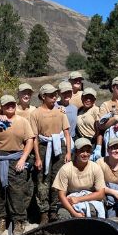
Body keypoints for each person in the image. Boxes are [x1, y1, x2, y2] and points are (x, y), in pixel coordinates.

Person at [0, 94, 35, 235]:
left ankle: (18, 221)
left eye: (12, 104)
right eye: (6, 105)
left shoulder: (23, 121)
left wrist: (23, 159)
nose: (10, 106)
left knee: (17, 192)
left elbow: (29, 140)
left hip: (16, 159)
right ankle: (1, 219)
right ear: (2, 107)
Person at [31, 84, 72, 223]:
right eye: (51, 95)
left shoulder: (60, 112)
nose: (54, 97)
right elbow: (34, 137)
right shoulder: (36, 114)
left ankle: (54, 210)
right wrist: (37, 157)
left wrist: (68, 153)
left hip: (58, 147)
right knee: (42, 180)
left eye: (55, 95)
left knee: (57, 179)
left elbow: (66, 133)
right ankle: (43, 212)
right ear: (43, 96)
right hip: (43, 147)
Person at [53, 138, 106, 219]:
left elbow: (101, 194)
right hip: (70, 200)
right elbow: (61, 195)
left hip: (90, 198)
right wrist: (74, 213)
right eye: (82, 151)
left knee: (93, 211)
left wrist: (79, 199)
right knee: (63, 215)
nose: (85, 154)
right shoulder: (66, 169)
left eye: (88, 151)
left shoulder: (95, 168)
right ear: (76, 152)